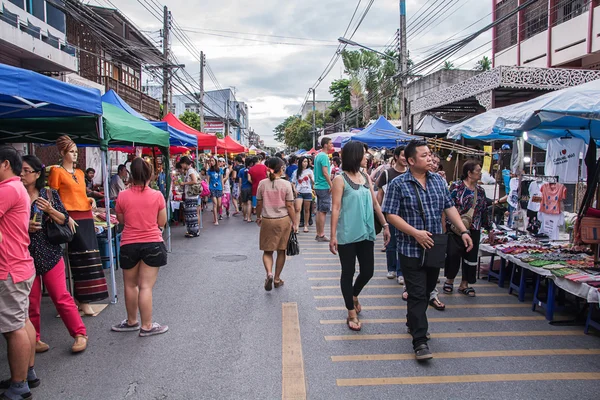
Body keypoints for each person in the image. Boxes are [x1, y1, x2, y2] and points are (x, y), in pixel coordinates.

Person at [382, 140, 473, 361]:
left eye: (430, 154)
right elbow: (390, 214)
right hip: (410, 248)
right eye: (424, 155)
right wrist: (415, 232)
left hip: (434, 247)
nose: (430, 158)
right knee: (416, 293)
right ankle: (420, 341)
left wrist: (462, 231)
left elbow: (448, 207)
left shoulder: (439, 181)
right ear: (411, 161)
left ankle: (412, 321)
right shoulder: (398, 184)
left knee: (428, 289)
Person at [21, 155, 87, 355]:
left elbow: (65, 219)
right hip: (25, 255)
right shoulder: (16, 194)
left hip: (49, 252)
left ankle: (79, 334)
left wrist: (49, 210)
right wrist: (25, 227)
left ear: (37, 173)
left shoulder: (48, 194)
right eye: (20, 171)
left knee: (60, 296)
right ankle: (35, 338)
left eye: (26, 171)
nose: (22, 174)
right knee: (31, 301)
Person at [329, 142, 390, 331]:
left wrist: (385, 225)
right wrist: (332, 236)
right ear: (355, 156)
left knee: (368, 271)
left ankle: (353, 294)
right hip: (347, 234)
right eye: (364, 154)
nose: (367, 157)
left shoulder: (365, 176)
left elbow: (375, 204)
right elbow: (336, 208)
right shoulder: (340, 179)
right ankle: (350, 312)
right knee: (348, 273)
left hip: (366, 232)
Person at [48, 136, 108, 316]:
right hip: (70, 217)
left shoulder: (80, 173)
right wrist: (64, 217)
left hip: (86, 215)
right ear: (62, 153)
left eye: (75, 152)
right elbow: (52, 197)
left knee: (91, 257)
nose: (74, 155)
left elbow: (80, 194)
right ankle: (80, 300)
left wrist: (89, 199)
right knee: (78, 258)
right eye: (71, 152)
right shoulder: (57, 172)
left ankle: (85, 300)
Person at [112, 158, 168, 337]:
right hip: (152, 242)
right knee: (145, 287)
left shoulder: (122, 195)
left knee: (130, 285)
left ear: (130, 175)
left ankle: (131, 321)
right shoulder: (157, 195)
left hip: (129, 243)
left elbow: (121, 221)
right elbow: (162, 221)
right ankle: (147, 326)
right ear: (150, 174)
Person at [0, 146, 38, 400]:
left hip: (10, 267)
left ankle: (19, 383)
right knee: (21, 321)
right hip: (20, 264)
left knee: (13, 326)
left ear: (4, 164)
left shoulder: (7, 190)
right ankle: (27, 372)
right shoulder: (18, 189)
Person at [444, 160, 488, 297]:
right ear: (469, 173)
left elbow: (484, 210)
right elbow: (447, 206)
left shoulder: (480, 191)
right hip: (455, 228)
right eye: (478, 171)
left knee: (470, 257)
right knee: (452, 255)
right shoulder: (456, 187)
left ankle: (465, 284)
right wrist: (444, 226)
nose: (480, 174)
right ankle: (449, 281)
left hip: (474, 227)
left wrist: (489, 228)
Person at [255, 157, 296, 291]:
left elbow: (259, 203)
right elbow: (290, 206)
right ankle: (277, 278)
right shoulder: (286, 184)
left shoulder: (262, 184)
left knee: (268, 251)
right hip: (283, 220)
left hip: (267, 220)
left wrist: (258, 216)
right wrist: (295, 222)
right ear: (281, 169)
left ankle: (269, 273)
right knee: (281, 250)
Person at [376, 146, 407, 285]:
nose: (405, 159)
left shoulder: (410, 173)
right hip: (390, 213)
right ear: (396, 157)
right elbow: (380, 194)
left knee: (403, 244)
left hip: (406, 214)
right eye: (402, 156)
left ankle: (401, 272)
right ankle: (392, 268)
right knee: (390, 242)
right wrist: (379, 214)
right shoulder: (387, 174)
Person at [314, 137, 334, 242]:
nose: (332, 145)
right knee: (323, 211)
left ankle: (318, 234)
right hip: (323, 186)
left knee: (319, 210)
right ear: (325, 145)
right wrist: (331, 185)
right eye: (330, 143)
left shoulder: (318, 156)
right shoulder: (324, 157)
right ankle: (321, 234)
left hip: (318, 186)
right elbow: (325, 172)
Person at [292, 156, 314, 233]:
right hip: (299, 192)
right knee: (297, 209)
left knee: (307, 210)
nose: (305, 163)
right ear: (300, 162)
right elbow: (293, 183)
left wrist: (311, 178)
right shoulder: (296, 172)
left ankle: (305, 225)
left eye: (306, 162)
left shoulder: (310, 171)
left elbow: (314, 183)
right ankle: (296, 226)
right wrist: (295, 190)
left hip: (308, 192)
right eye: (304, 161)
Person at [179, 156, 200, 237]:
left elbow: (194, 181)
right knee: (190, 214)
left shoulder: (190, 170)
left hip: (191, 196)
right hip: (191, 195)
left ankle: (194, 231)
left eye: (182, 164)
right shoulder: (190, 170)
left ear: (184, 163)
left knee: (191, 214)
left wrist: (184, 183)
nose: (181, 166)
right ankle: (192, 231)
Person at [207, 158, 224, 225]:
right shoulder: (209, 171)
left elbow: (222, 179)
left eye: (212, 161)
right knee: (215, 204)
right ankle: (215, 219)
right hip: (212, 188)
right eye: (210, 161)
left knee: (219, 205)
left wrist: (223, 189)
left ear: (215, 161)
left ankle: (216, 214)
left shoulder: (220, 170)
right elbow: (208, 181)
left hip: (219, 188)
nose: (211, 162)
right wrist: (208, 189)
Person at [239, 158, 254, 223]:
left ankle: (244, 217)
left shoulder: (241, 170)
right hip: (250, 187)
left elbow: (240, 181)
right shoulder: (252, 170)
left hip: (243, 188)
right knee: (249, 203)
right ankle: (249, 218)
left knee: (244, 203)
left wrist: (240, 189)